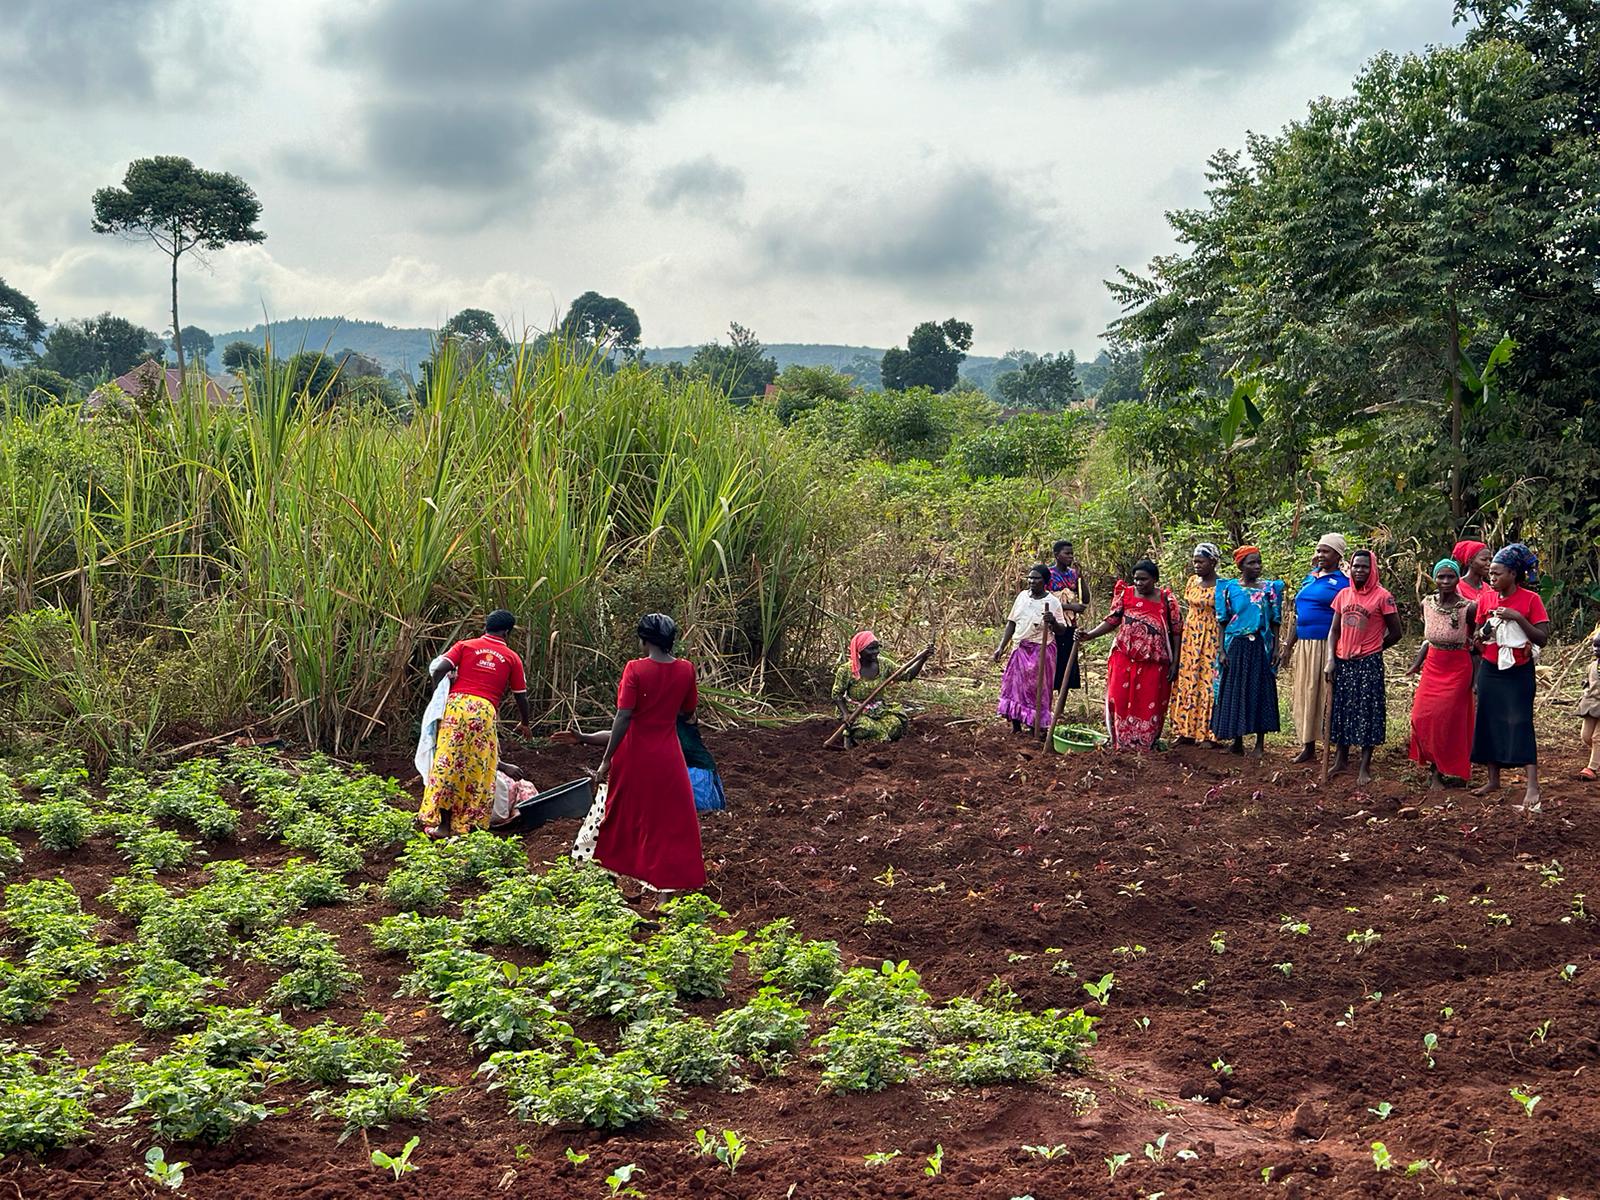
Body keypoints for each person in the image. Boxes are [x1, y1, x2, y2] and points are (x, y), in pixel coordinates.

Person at [571, 613, 706, 897]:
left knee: (618, 814)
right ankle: (664, 892)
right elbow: (688, 710)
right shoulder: (686, 670)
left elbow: (623, 717)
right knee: (668, 820)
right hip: (669, 757)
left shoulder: (635, 669)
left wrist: (606, 760)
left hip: (633, 757)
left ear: (644, 640)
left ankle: (607, 876)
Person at [419, 610, 531, 836]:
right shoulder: (511, 657)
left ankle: (444, 825)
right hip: (484, 711)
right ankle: (469, 824)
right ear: (507, 632)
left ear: (486, 626)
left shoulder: (465, 645)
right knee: (478, 767)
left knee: (448, 764)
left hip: (456, 707)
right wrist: (525, 722)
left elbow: (440, 668)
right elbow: (521, 694)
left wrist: (439, 697)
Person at [1471, 544, 1549, 807]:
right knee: (1489, 719)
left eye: (1497, 574)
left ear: (1514, 574)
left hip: (1518, 671)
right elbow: (1478, 632)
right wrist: (1483, 633)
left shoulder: (1530, 600)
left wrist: (1517, 618)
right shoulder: (1486, 598)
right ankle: (1493, 779)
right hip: (1490, 669)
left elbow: (1542, 637)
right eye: (1490, 574)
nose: (1491, 578)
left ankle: (1532, 785)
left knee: (1520, 721)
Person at [1078, 559, 1182, 751]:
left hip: (1154, 662)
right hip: (1124, 658)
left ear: (1155, 579)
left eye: (1144, 579)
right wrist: (1090, 635)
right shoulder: (1125, 595)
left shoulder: (1166, 600)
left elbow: (1176, 631)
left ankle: (1144, 745)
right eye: (1136, 579)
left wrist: (1175, 661)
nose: (1139, 583)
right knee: (1119, 698)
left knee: (1148, 703)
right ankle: (1120, 743)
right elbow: (1112, 621)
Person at [1324, 550, 1402, 785]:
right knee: (1342, 710)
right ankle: (1340, 758)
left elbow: (1397, 632)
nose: (1359, 570)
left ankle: (1365, 766)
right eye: (1356, 566)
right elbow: (1334, 630)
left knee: (1367, 711)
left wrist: (1375, 648)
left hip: (1368, 663)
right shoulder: (1343, 595)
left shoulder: (1383, 597)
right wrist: (1330, 659)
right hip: (1342, 661)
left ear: (1373, 569)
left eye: (1364, 567)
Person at [1406, 559, 1477, 790]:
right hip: (1433, 665)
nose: (1445, 581)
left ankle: (1441, 771)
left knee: (1448, 720)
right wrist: (1417, 663)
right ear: (1434, 578)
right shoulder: (1427, 603)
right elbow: (1428, 639)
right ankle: (1434, 764)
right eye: (1441, 577)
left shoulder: (1469, 607)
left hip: (1458, 667)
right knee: (1421, 716)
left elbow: (1474, 644)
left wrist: (1475, 680)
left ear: (1458, 579)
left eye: (1450, 577)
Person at [1282, 534, 1350, 763]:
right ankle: (1307, 744)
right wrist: (1288, 647)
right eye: (1319, 551)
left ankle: (1333, 747)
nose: (1321, 555)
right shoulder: (1309, 579)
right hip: (1305, 643)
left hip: (1326, 645)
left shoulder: (1344, 583)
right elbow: (1298, 615)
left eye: (1326, 551)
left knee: (1326, 693)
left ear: (1338, 555)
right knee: (1306, 692)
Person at [1211, 546, 1283, 756]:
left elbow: (1275, 620)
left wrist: (1277, 648)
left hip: (1261, 645)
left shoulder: (1270, 589)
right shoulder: (1228, 588)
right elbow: (1222, 622)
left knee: (1260, 690)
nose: (1257, 566)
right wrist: (1221, 650)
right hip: (1236, 645)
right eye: (1252, 563)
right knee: (1236, 690)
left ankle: (1259, 744)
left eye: (1259, 562)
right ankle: (1237, 741)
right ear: (1241, 565)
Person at [993, 565, 1066, 734]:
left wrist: (1052, 621)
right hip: (1020, 647)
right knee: (1014, 687)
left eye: (1037, 578)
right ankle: (1016, 725)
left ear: (1045, 581)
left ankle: (1036, 726)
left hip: (1042, 649)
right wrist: (1001, 647)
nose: (1032, 582)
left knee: (1037, 689)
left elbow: (1062, 629)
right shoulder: (1022, 597)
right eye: (1030, 578)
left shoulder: (1053, 602)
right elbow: (1012, 622)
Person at [833, 630, 932, 746]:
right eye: (871, 649)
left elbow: (907, 675)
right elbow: (837, 694)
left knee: (895, 725)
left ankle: (880, 739)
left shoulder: (884, 664)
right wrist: (845, 714)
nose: (876, 652)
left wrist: (923, 659)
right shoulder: (846, 670)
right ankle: (859, 738)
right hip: (855, 711)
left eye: (877, 648)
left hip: (879, 709)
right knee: (868, 728)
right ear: (860, 650)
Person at [1171, 543, 1223, 745]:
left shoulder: (1223, 586)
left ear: (1213, 562)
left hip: (1211, 636)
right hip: (1191, 636)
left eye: (1201, 561)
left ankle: (1208, 733)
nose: (1196, 565)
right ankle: (1185, 731)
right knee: (1188, 679)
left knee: (1208, 683)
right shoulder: (1192, 581)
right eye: (1194, 561)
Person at [1047, 540, 1089, 698]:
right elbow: (1045, 601)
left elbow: (1085, 599)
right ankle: (1048, 702)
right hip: (1053, 624)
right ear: (1057, 555)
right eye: (1067, 553)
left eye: (1072, 553)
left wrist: (1081, 577)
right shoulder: (1048, 575)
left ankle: (1060, 705)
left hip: (1070, 624)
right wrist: (1070, 607)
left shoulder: (1073, 575)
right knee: (1052, 663)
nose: (1070, 556)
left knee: (1067, 663)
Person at [1578, 626, 1600, 783]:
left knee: (1598, 737)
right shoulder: (1592, 665)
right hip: (1592, 702)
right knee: (1586, 736)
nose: (1595, 649)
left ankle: (1592, 768)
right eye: (1594, 645)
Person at [1452, 539, 1492, 604]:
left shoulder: (1488, 589)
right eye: (1484, 559)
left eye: (1490, 560)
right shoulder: (1457, 587)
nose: (1489, 563)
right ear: (1470, 562)